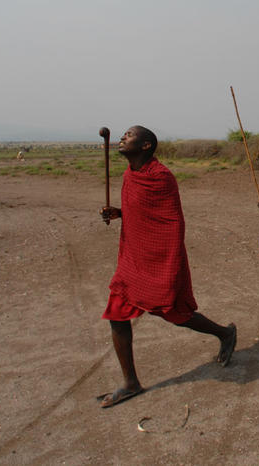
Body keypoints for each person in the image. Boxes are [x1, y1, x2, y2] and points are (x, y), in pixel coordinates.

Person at [98, 125, 237, 408]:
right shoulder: (130, 174)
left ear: (147, 145)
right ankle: (130, 382)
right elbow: (141, 211)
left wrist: (170, 266)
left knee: (173, 313)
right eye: (123, 134)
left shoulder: (161, 177)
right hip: (132, 259)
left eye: (129, 134)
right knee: (116, 313)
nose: (123, 138)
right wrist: (121, 213)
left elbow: (171, 223)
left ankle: (225, 333)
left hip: (159, 258)